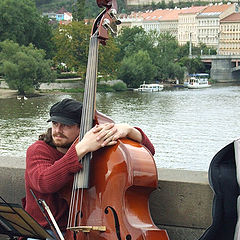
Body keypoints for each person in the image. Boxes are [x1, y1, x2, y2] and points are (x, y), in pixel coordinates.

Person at [23, 98, 155, 237]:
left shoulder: (94, 149)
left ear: (83, 128)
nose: (58, 130)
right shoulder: (38, 150)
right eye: (55, 124)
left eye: (66, 125)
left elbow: (146, 153)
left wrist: (130, 130)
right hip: (44, 231)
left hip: (87, 227)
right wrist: (81, 149)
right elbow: (44, 182)